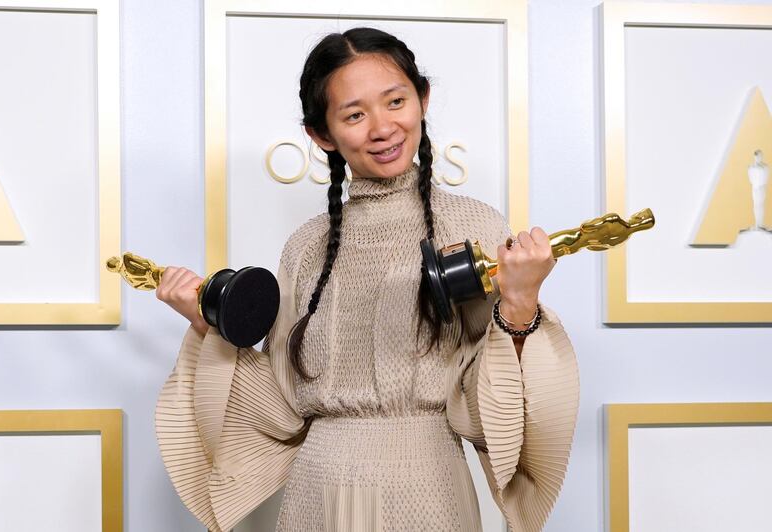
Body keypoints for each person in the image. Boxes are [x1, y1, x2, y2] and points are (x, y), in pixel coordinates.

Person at [154, 27, 579, 532]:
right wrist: (207, 321)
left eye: (395, 101)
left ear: (422, 99)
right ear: (322, 134)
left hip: (428, 485)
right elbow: (279, 404)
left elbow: (493, 402)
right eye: (354, 114)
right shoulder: (305, 247)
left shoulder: (475, 229)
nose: (382, 127)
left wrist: (521, 301)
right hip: (318, 491)